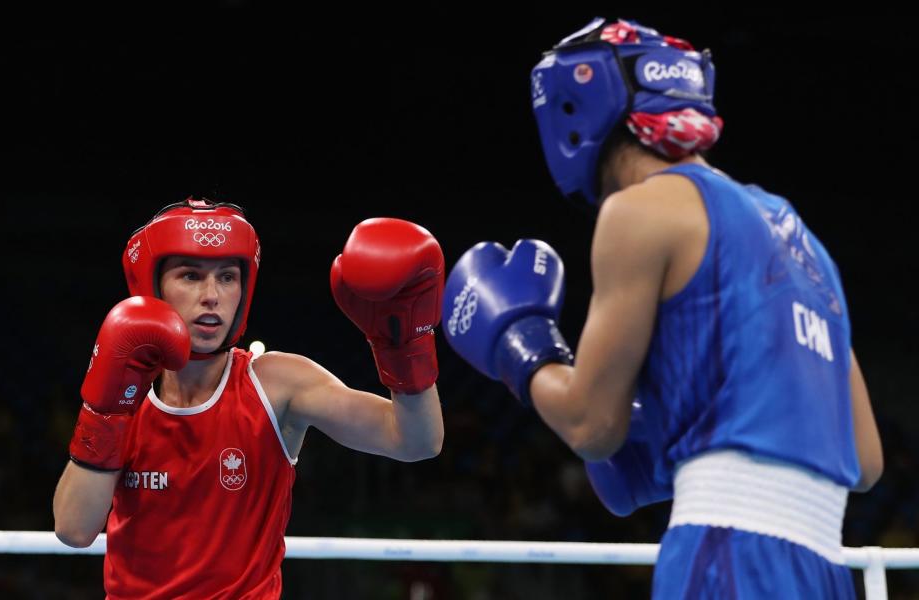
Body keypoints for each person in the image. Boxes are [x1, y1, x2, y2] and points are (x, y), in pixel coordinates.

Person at [440, 17, 883, 598]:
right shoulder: (799, 236)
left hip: (726, 551)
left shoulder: (641, 210)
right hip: (824, 565)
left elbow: (591, 425)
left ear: (578, 105)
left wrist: (520, 346)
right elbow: (866, 459)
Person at [53, 198, 445, 598]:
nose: (212, 295)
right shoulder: (124, 395)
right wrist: (105, 413)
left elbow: (415, 441)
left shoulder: (276, 384)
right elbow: (74, 529)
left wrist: (403, 344)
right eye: (191, 276)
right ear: (153, 287)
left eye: (227, 277)